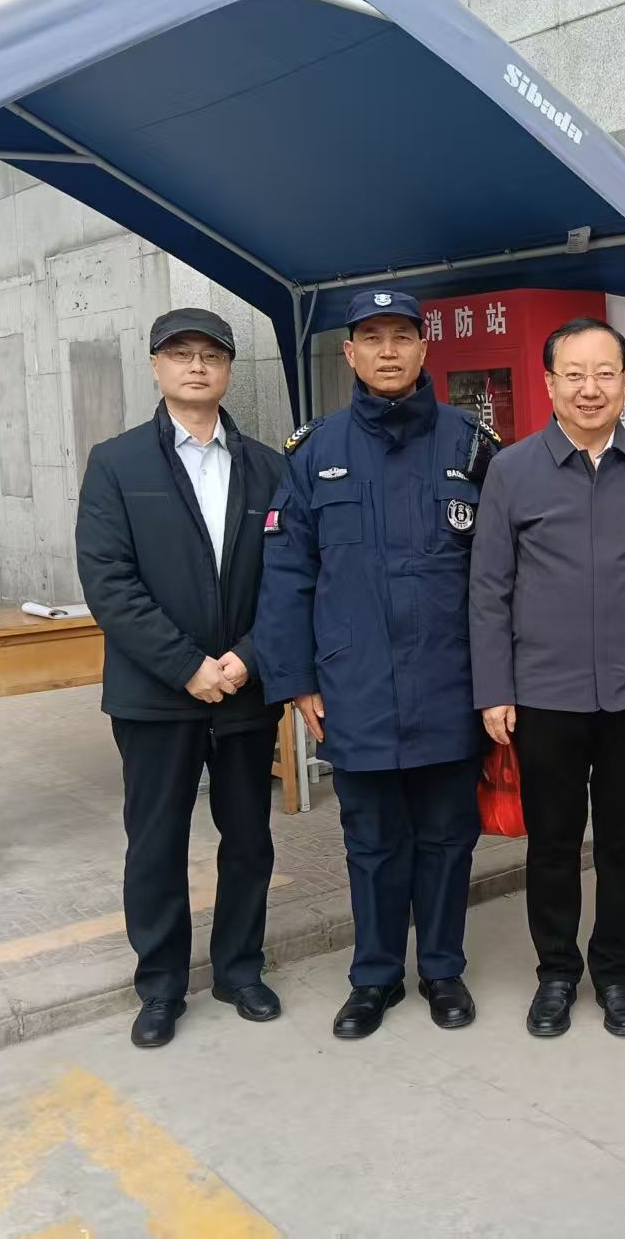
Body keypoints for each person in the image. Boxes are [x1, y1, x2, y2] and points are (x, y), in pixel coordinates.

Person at [255, 290, 497, 1040]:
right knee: (371, 840)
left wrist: (500, 682)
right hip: (354, 686)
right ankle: (375, 977)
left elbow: (504, 575)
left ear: (425, 348)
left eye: (401, 337)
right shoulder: (316, 452)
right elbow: (287, 573)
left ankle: (443, 970)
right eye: (372, 338)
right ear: (350, 353)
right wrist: (297, 680)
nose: (388, 351)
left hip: (451, 683)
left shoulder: (472, 446)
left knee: (448, 838)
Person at [470, 317, 625, 1039]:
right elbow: (489, 589)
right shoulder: (511, 472)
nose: (590, 388)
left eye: (604, 373)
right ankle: (557, 973)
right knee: (554, 843)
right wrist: (494, 689)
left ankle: (616, 972)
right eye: (574, 374)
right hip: (545, 696)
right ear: (549, 383)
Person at [76, 308, 287, 1049]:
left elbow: (289, 580)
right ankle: (161, 986)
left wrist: (249, 658)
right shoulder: (117, 463)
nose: (196, 366)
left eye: (211, 355)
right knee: (157, 843)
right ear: (156, 366)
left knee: (249, 838)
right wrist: (186, 666)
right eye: (180, 354)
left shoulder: (268, 467)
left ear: (227, 369)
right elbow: (109, 581)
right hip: (155, 696)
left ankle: (239, 969)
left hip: (244, 690)